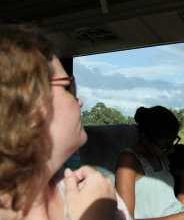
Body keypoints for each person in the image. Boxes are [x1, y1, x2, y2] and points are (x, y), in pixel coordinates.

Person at [0, 24, 131, 220]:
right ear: (30, 101)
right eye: (68, 86)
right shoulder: (97, 199)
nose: (80, 101)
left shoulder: (96, 190)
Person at [115, 106, 184, 219]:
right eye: (166, 145)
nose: (172, 150)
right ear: (144, 138)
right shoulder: (129, 160)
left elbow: (172, 207)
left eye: (173, 142)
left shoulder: (160, 158)